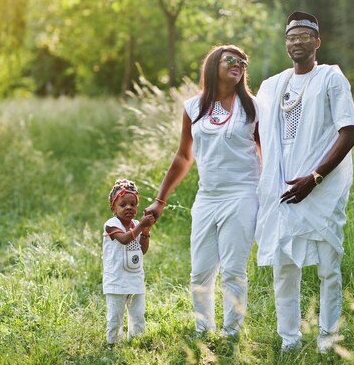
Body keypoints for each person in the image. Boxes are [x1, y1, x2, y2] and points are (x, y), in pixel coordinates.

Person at [254, 11, 354, 353]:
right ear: (286, 44)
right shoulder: (273, 85)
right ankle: (289, 339)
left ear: (317, 42)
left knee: (329, 265)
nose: (297, 42)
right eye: (291, 37)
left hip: (321, 186)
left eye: (303, 36)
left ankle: (329, 339)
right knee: (284, 266)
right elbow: (253, 124)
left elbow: (348, 134)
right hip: (283, 186)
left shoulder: (331, 78)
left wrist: (314, 178)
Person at [145, 45, 260, 339]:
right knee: (200, 271)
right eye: (230, 59)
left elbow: (266, 152)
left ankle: (231, 334)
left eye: (242, 61)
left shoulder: (254, 107)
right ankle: (203, 329)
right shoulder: (193, 108)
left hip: (243, 194)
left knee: (234, 270)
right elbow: (184, 157)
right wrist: (160, 199)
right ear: (213, 66)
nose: (238, 64)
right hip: (207, 197)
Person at [103, 178, 156, 347]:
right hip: (116, 279)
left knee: (138, 314)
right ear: (113, 207)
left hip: (135, 277)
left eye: (133, 204)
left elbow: (143, 249)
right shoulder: (111, 225)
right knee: (115, 315)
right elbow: (125, 239)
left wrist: (145, 232)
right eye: (123, 204)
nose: (128, 208)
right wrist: (141, 225)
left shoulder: (135, 224)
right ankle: (113, 343)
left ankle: (137, 341)